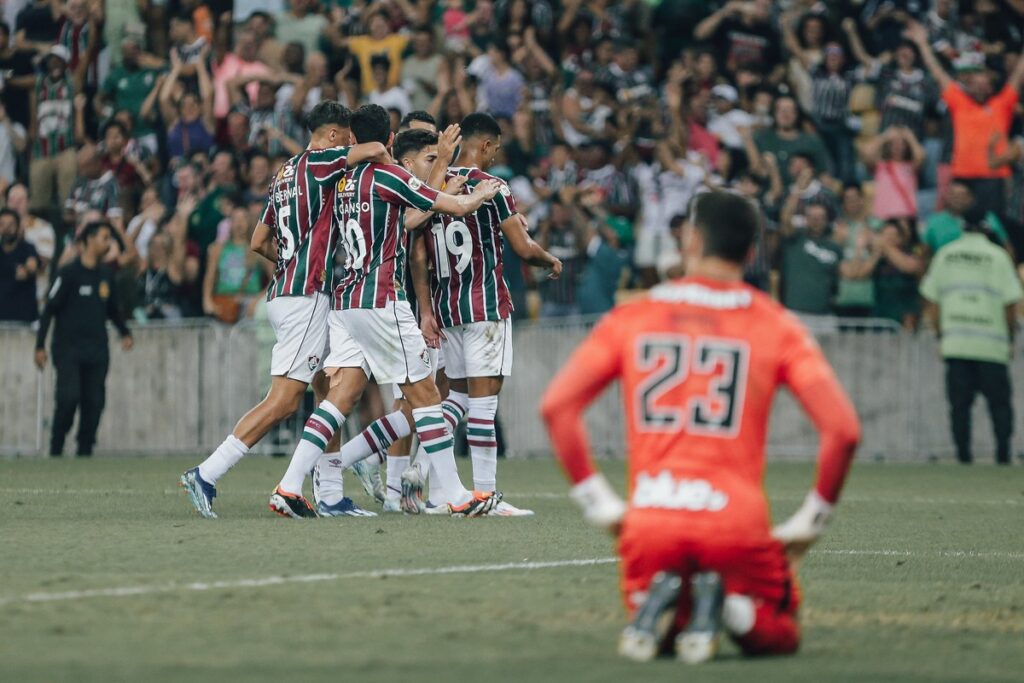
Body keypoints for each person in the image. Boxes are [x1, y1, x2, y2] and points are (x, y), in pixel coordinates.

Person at [540, 190, 859, 664]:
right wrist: (811, 521)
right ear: (751, 253)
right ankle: (734, 609)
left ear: (690, 240)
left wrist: (602, 505)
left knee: (668, 633)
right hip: (735, 523)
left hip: (652, 520)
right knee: (781, 631)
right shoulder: (776, 324)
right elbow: (844, 430)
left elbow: (557, 408)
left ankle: (669, 609)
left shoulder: (632, 316)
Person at [268, 104, 503, 519]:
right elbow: (448, 206)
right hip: (381, 300)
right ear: (389, 140)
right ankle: (455, 493)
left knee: (338, 397)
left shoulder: (341, 181)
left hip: (344, 302)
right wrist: (482, 193)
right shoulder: (390, 177)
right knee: (427, 393)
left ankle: (288, 484)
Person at [179, 102, 393, 519]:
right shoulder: (321, 161)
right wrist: (383, 151)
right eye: (345, 135)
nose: (349, 141)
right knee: (283, 400)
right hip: (306, 298)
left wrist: (289, 262)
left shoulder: (283, 175)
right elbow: (370, 152)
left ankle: (330, 494)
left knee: (326, 392)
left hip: (286, 291)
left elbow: (259, 240)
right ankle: (206, 472)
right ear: (332, 135)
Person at [414, 113, 562, 515]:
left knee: (457, 396)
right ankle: (484, 495)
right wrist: (549, 259)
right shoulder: (491, 187)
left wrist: (426, 308)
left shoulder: (435, 185)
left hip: (448, 307)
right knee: (483, 405)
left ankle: (428, 474)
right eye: (495, 149)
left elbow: (419, 251)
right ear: (486, 145)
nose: (496, 156)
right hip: (484, 305)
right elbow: (523, 247)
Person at [920, 206, 1022, 464]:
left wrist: (941, 334)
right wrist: (1010, 337)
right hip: (992, 347)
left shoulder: (946, 254)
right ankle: (1002, 455)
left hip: (956, 344)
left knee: (960, 407)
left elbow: (932, 300)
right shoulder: (998, 257)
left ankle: (963, 457)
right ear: (987, 227)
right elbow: (1011, 303)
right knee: (999, 406)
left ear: (962, 226)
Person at [35, 221, 134, 456]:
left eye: (109, 238)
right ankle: (56, 446)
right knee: (68, 399)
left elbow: (113, 310)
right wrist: (39, 345)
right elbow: (50, 309)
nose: (108, 243)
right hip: (68, 349)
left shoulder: (106, 275)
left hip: (97, 350)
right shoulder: (68, 273)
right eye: (103, 237)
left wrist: (125, 332)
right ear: (88, 240)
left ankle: (85, 450)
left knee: (95, 403)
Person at [905, 20, 1024, 216]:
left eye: (982, 79)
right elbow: (937, 73)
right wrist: (922, 44)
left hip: (993, 178)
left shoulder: (1002, 104)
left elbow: (1018, 74)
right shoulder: (960, 102)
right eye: (974, 80)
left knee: (993, 226)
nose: (978, 83)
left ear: (990, 84)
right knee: (961, 226)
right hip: (962, 179)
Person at [779, 201, 843, 316]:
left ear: (827, 220)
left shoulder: (834, 247)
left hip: (824, 313)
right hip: (795, 311)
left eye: (820, 217)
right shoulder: (794, 239)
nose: (815, 221)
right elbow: (785, 218)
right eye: (811, 217)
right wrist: (798, 191)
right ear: (805, 219)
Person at [0, 208, 38, 322]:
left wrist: (27, 269)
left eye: (11, 224)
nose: (6, 229)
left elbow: (32, 266)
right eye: (2, 224)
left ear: (18, 227)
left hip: (22, 318)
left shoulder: (27, 249)